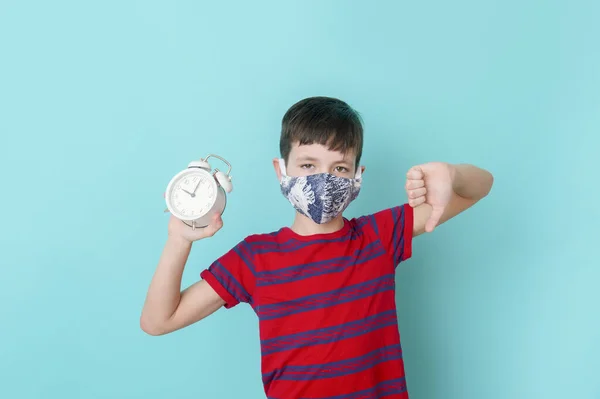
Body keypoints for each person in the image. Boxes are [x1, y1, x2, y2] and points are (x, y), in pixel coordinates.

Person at [140, 97, 494, 398]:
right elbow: (158, 321)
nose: (324, 179)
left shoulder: (379, 236)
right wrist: (179, 238)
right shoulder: (254, 258)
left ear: (358, 175)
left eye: (339, 167)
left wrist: (452, 174)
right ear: (282, 170)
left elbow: (480, 186)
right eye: (308, 165)